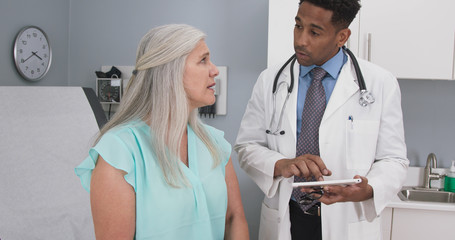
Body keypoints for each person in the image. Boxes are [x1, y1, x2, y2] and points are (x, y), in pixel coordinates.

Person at [234, 0, 409, 239]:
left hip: (346, 221)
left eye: (314, 32)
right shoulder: (270, 80)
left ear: (342, 36)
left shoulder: (380, 83)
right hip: (288, 218)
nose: (300, 40)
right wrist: (281, 164)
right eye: (298, 26)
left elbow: (393, 159)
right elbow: (247, 146)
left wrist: (368, 189)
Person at [75, 24, 249, 240]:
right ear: (171, 71)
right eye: (203, 60)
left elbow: (234, 219)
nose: (215, 70)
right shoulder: (120, 154)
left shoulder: (214, 142)